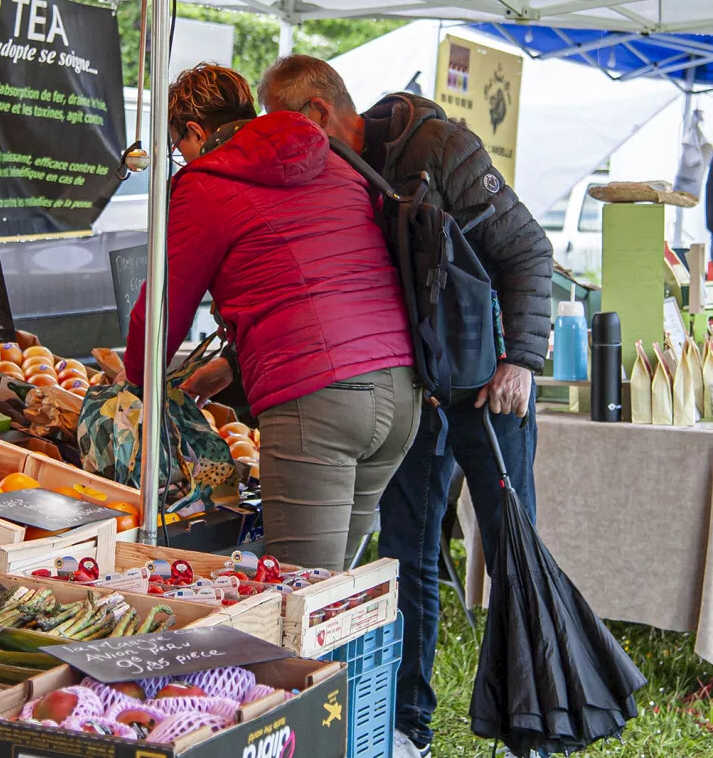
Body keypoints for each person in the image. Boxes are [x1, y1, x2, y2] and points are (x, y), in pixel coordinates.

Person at [252, 55, 553, 758]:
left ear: (321, 114)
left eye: (285, 128)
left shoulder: (440, 147)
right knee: (407, 549)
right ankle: (409, 722)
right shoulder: (340, 172)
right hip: (418, 384)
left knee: (511, 547)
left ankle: (532, 726)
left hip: (490, 379)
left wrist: (521, 360)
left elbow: (528, 249)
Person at [122, 63, 419, 573]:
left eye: (179, 147)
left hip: (318, 399)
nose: (183, 159)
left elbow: (161, 315)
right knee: (333, 596)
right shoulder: (334, 160)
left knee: (299, 596)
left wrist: (133, 381)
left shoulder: (206, 183)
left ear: (195, 132)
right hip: (400, 390)